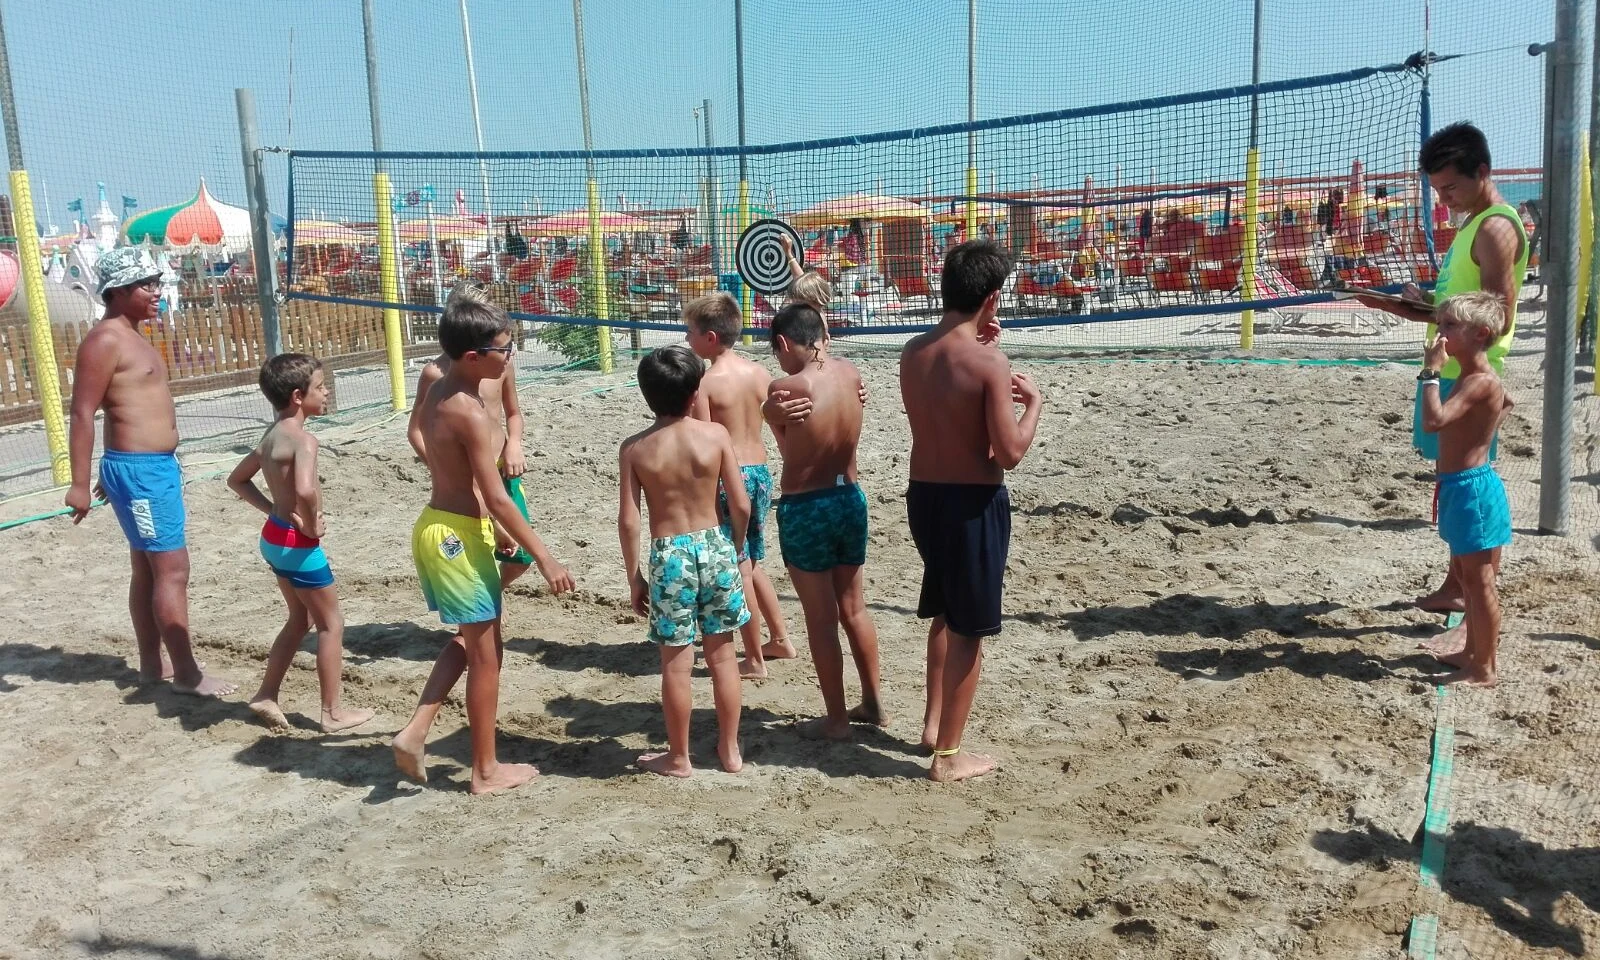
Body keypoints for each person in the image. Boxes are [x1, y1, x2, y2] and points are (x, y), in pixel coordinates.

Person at [392, 286, 576, 795]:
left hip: (445, 526)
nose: (511, 356)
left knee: (479, 642)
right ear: (474, 357)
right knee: (487, 656)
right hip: (456, 536)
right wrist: (546, 557)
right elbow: (496, 498)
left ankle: (416, 731)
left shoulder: (440, 388)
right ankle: (485, 771)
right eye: (505, 349)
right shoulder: (466, 409)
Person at [1355, 122, 1528, 614]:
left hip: (1469, 372)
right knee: (1454, 481)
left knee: (1467, 486)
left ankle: (1474, 599)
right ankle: (1460, 587)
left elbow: (1496, 314)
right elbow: (1464, 309)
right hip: (1457, 364)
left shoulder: (1495, 227)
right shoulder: (1474, 223)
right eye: (1437, 190)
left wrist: (1430, 316)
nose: (1445, 199)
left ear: (1483, 172)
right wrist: (1407, 304)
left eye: (1451, 187)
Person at [900, 240, 1041, 782]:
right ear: (993, 298)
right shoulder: (988, 361)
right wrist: (1034, 406)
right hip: (970, 503)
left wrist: (984, 349)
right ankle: (949, 755)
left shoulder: (914, 351)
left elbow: (947, 412)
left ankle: (935, 727)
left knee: (944, 610)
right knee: (968, 630)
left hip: (924, 496)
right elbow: (1008, 453)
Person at [65, 248, 235, 697]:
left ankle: (150, 667)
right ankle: (185, 674)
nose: (157, 291)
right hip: (142, 473)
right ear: (118, 291)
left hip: (146, 468)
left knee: (149, 568)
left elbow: (126, 410)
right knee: (171, 570)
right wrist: (79, 483)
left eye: (157, 282)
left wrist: (114, 469)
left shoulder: (132, 334)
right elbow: (83, 413)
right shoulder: (105, 340)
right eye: (146, 284)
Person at [618, 345, 750, 777]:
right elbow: (741, 503)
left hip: (669, 553)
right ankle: (729, 751)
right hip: (714, 543)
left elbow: (629, 520)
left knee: (675, 664)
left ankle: (679, 757)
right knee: (723, 658)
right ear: (695, 393)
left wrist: (634, 575)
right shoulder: (714, 436)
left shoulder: (635, 448)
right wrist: (735, 543)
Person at [227, 353, 373, 733]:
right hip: (297, 544)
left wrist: (274, 509)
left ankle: (266, 695)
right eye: (321, 387)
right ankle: (333, 713)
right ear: (297, 396)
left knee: (300, 618)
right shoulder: (304, 440)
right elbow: (306, 489)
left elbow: (237, 480)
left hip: (274, 538)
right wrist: (312, 524)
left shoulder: (271, 435)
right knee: (331, 623)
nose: (326, 393)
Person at [763, 303, 885, 740]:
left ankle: (836, 720)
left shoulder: (786, 386)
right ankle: (873, 703)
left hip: (806, 504)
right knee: (855, 607)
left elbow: (789, 450)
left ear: (783, 343)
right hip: (849, 497)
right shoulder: (850, 373)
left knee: (820, 618)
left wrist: (767, 415)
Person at [683, 292, 796, 678]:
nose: (686, 340)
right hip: (760, 472)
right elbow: (780, 430)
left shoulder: (707, 383)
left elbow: (703, 441)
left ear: (710, 338)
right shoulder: (760, 373)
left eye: (690, 333)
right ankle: (778, 638)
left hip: (730, 477)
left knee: (739, 567)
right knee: (753, 560)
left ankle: (754, 658)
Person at [1414, 293, 1513, 686]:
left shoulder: (1478, 381)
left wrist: (1430, 373)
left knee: (1480, 581)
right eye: (1441, 324)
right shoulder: (1477, 380)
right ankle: (1472, 653)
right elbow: (1508, 402)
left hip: (1473, 491)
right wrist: (1480, 434)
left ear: (1480, 334)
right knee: (1467, 577)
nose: (1441, 332)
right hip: (1460, 487)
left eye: (1451, 325)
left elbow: (1433, 421)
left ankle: (1484, 667)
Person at [408, 284, 533, 594]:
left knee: (520, 556)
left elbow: (513, 413)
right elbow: (415, 431)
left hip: (503, 470)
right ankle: (476, 621)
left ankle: (492, 595)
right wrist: (445, 468)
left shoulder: (501, 365)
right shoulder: (435, 375)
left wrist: (515, 443)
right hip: (469, 482)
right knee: (480, 548)